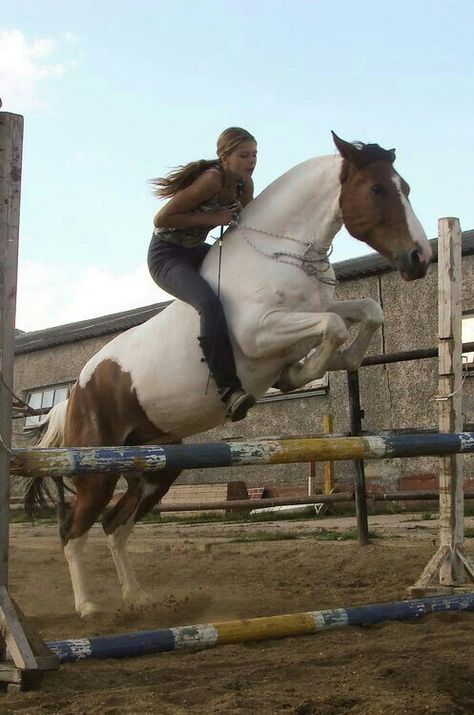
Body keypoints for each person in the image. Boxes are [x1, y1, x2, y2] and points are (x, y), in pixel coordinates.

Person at [147, 127, 258, 422]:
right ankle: (228, 389)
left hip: (197, 250)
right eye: (244, 155)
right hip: (167, 256)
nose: (251, 161)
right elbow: (161, 218)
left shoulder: (244, 185)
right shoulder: (211, 179)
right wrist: (214, 217)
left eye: (255, 154)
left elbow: (246, 225)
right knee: (209, 303)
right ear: (224, 156)